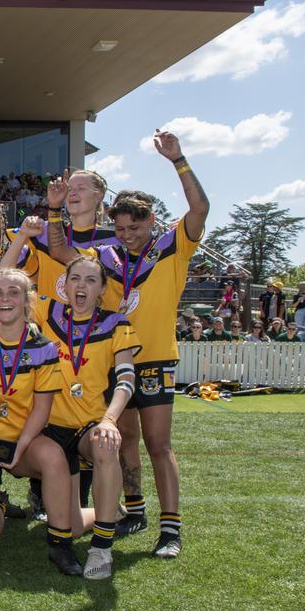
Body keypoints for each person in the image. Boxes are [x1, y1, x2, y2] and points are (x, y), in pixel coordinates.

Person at [45, 129, 207, 559]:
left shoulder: (172, 246)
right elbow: (60, 249)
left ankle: (170, 530)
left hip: (153, 359)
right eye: (119, 228)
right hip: (115, 359)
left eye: (135, 227)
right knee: (124, 439)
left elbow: (200, 208)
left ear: (151, 222)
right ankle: (132, 510)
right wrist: (56, 210)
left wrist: (178, 159)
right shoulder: (108, 258)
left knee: (159, 445)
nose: (128, 234)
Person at [0, 268, 79, 574]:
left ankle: (61, 545)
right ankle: (0, 505)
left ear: (27, 300)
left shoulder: (44, 347)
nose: (5, 299)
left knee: (52, 455)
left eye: (14, 292)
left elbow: (42, 409)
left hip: (23, 441)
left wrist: (20, 448)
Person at [27, 253, 139, 579]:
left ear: (102, 289)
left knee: (107, 445)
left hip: (89, 425)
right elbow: (2, 283)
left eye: (91, 280)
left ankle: (102, 547)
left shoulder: (116, 324)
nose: (82, 286)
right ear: (64, 284)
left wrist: (109, 420)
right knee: (72, 528)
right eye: (76, 278)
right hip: (49, 428)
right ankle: (106, 511)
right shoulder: (47, 312)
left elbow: (127, 379)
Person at [39, 170, 118, 301]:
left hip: (97, 320)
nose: (72, 193)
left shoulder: (116, 239)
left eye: (81, 188)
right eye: (69, 189)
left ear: (98, 196)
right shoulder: (43, 230)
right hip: (50, 320)